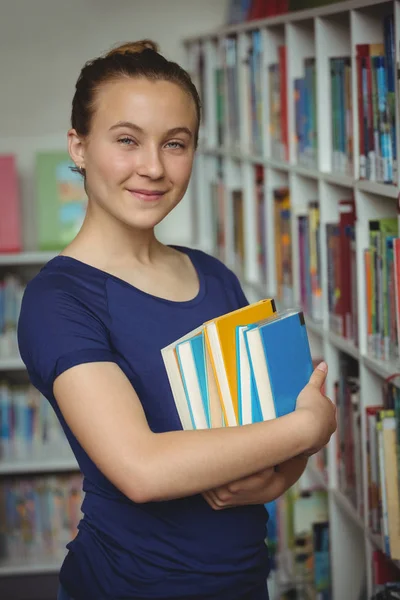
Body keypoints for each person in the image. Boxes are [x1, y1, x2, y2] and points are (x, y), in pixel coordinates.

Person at [17, 40, 336, 600]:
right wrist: (315, 428)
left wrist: (283, 468)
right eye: (126, 140)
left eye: (175, 143)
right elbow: (142, 470)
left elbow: (266, 446)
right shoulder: (57, 300)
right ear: (79, 145)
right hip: (128, 586)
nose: (154, 167)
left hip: (242, 580)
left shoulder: (215, 277)